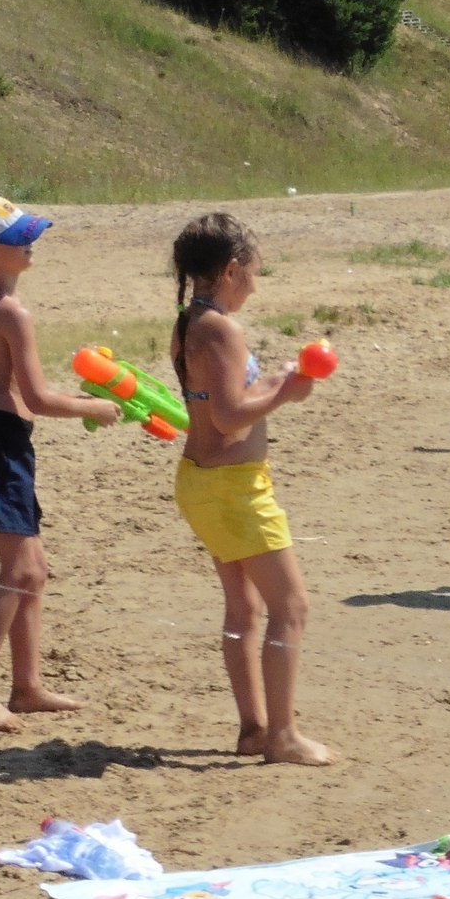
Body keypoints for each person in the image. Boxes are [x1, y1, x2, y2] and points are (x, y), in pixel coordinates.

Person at [0, 193, 121, 732]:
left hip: (0, 440)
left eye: (29, 231)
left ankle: (27, 686)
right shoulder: (9, 309)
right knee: (18, 571)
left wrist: (77, 396)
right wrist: (96, 406)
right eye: (18, 237)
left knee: (35, 572)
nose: (30, 242)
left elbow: (24, 387)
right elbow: (39, 400)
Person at [169, 213, 334, 767]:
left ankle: (254, 729)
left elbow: (220, 397)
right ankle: (281, 735)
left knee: (244, 608)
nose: (256, 286)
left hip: (210, 481)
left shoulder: (191, 320)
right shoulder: (220, 327)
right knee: (291, 606)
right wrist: (286, 391)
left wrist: (273, 382)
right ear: (231, 270)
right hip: (230, 488)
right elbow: (230, 417)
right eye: (253, 274)